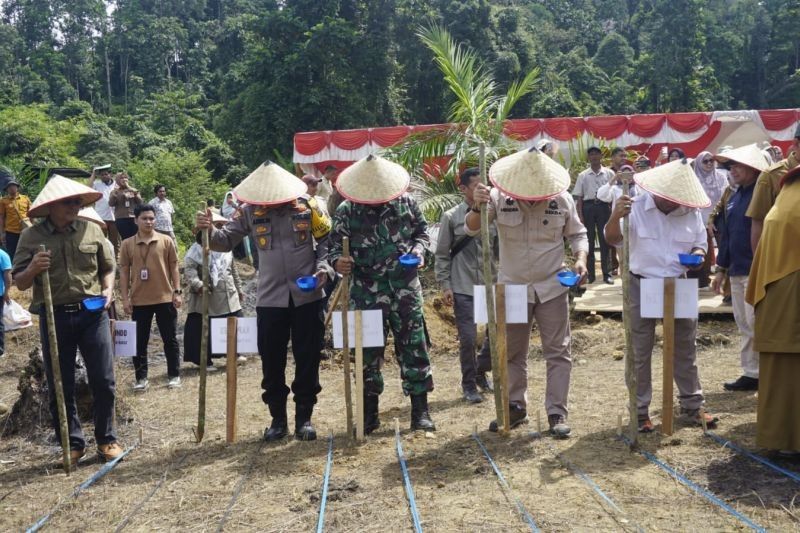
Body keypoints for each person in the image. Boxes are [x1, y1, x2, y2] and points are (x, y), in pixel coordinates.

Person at [196, 162, 332, 442]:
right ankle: (277, 419)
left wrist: (324, 269)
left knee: (308, 357)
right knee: (272, 359)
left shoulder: (309, 207)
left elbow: (326, 242)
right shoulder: (249, 211)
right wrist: (205, 230)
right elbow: (222, 242)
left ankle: (304, 417)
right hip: (270, 299)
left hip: (308, 296)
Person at [466, 147, 589, 437]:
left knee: (558, 351)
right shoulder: (498, 197)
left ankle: (557, 413)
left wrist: (581, 259)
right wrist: (476, 206)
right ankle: (514, 406)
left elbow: (578, 234)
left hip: (552, 285)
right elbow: (472, 229)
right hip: (513, 286)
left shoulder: (561, 199)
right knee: (512, 351)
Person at [13, 175, 123, 462]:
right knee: (60, 384)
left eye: (78, 201)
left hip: (92, 313)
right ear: (51, 206)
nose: (75, 206)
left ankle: (106, 440)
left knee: (103, 379)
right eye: (68, 202)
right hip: (54, 317)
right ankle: (73, 444)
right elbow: (20, 283)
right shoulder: (31, 237)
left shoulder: (91, 230)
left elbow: (107, 267)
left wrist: (108, 290)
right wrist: (34, 268)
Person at [605, 158, 718, 432]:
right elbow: (612, 239)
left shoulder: (690, 211)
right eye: (667, 199)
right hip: (640, 283)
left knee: (685, 347)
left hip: (678, 282)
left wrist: (697, 255)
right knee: (640, 351)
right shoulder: (633, 207)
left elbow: (700, 244)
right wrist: (614, 217)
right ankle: (640, 410)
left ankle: (692, 406)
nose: (672, 204)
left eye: (677, 200)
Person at [329, 154, 435, 434]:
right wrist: (338, 262)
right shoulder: (346, 211)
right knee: (365, 354)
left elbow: (423, 234)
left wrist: (418, 251)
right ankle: (369, 414)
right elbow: (332, 249)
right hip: (365, 292)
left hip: (405, 289)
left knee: (414, 347)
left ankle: (420, 412)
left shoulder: (406, 203)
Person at [746, 165, 800, 456]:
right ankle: (785, 438)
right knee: (784, 365)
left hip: (782, 292)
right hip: (785, 293)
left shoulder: (788, 188)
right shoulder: (787, 186)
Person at [434, 167, 494, 404]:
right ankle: (469, 384)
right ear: (463, 189)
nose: (483, 190)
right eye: (477, 186)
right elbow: (441, 254)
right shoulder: (451, 217)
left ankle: (482, 369)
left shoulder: (494, 213)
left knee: (497, 335)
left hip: (491, 283)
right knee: (468, 338)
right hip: (463, 284)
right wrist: (445, 284)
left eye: (485, 186)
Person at [711, 144, 767, 392]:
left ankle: (769, 372)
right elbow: (727, 236)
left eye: (736, 165)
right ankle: (751, 372)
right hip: (736, 268)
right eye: (730, 166)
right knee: (744, 323)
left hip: (757, 267)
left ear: (753, 168)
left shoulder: (764, 193)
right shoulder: (734, 197)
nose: (731, 170)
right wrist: (720, 268)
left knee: (758, 322)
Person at [119, 204, 182, 391]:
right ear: (135, 220)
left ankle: (174, 375)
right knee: (139, 341)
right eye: (144, 218)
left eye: (151, 218)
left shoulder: (166, 240)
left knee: (170, 339)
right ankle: (141, 378)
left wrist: (177, 292)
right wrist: (125, 298)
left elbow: (174, 268)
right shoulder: (127, 244)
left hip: (164, 298)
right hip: (139, 300)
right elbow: (123, 273)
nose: (148, 221)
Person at [184, 210, 244, 369]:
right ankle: (205, 360)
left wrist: (239, 288)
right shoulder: (195, 251)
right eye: (216, 226)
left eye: (221, 226)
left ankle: (235, 354)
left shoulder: (226, 250)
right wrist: (199, 285)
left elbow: (233, 270)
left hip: (227, 293)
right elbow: (189, 272)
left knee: (233, 322)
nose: (219, 229)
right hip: (207, 296)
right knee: (205, 327)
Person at [747, 125, 800, 251]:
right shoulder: (771, 176)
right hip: (783, 259)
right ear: (796, 144)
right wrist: (760, 266)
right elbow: (758, 222)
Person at [573, 145, 614, 284]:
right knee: (588, 241)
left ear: (601, 156)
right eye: (591, 154)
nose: (594, 156)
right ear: (588, 157)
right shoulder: (583, 175)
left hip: (604, 207)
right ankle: (590, 274)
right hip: (588, 207)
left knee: (605, 240)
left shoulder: (609, 173)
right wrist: (580, 215)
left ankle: (607, 273)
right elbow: (579, 196)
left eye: (597, 154)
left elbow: (614, 193)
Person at [88, 164, 119, 254]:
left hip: (114, 217)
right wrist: (93, 173)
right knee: (101, 239)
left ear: (110, 174)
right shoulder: (97, 184)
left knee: (114, 242)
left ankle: (115, 261)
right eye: (102, 175)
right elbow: (88, 187)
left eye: (106, 174)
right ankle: (102, 260)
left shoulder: (116, 185)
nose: (104, 176)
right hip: (101, 217)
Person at [0, 178, 32, 261]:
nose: (12, 188)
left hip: (26, 231)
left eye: (13, 186)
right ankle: (13, 272)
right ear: (6, 189)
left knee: (27, 252)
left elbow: (31, 214)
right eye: (9, 186)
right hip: (11, 232)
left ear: (17, 187)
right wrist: (2, 233)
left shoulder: (25, 199)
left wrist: (33, 227)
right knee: (12, 254)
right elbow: (1, 217)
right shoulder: (3, 201)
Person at [107, 172, 142, 241]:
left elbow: (140, 202)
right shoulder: (115, 191)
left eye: (125, 177)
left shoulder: (133, 190)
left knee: (136, 238)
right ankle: (127, 251)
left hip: (133, 217)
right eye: (121, 178)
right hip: (121, 218)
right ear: (117, 180)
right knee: (126, 239)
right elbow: (111, 204)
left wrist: (131, 190)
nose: (124, 179)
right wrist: (114, 195)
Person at [0, 247, 10, 356]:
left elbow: (8, 277)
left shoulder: (2, 255)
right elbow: (8, 277)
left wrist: (6, 293)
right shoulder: (3, 255)